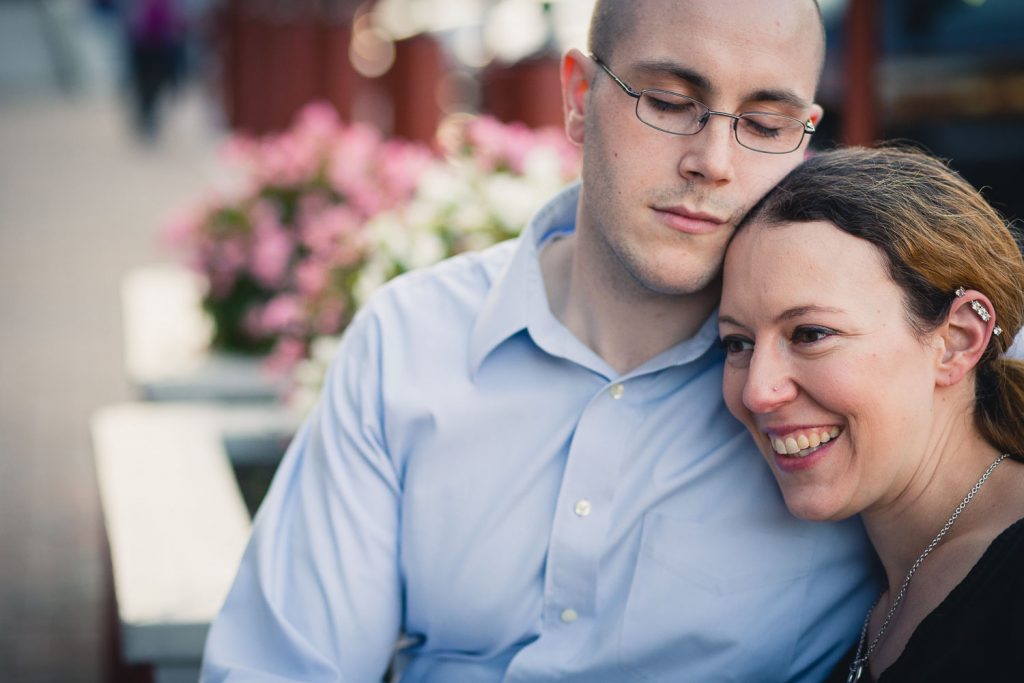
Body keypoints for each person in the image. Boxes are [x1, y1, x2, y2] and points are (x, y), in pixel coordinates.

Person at [202, 1, 880, 680]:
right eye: (671, 103)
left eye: (765, 124)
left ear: (804, 137)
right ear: (580, 98)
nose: (714, 161)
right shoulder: (409, 341)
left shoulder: (853, 383)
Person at [718, 146, 1024, 682]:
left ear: (956, 341)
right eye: (737, 343)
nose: (758, 393)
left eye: (811, 334)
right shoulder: (867, 591)